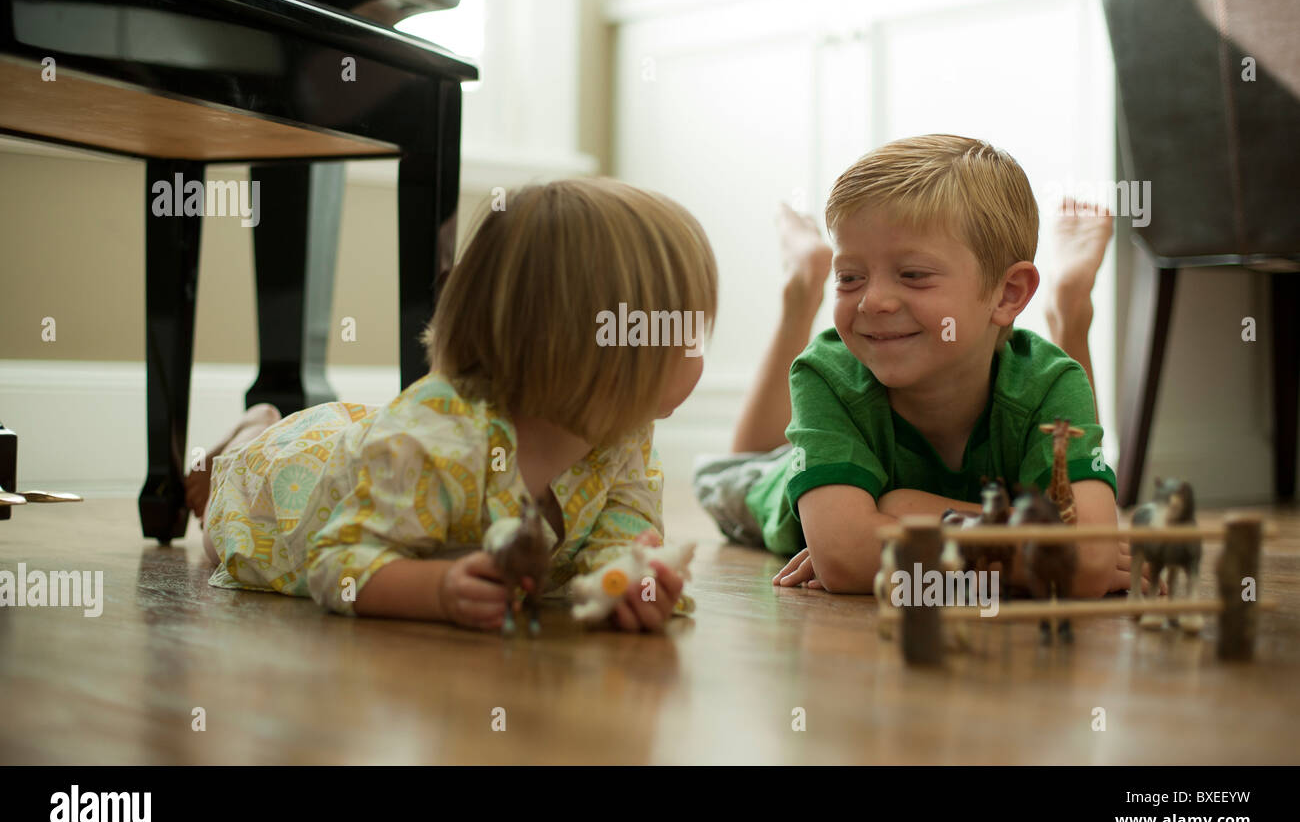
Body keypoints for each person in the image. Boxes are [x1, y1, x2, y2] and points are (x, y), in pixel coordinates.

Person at [186, 177, 717, 632]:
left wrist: (635, 586)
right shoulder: (434, 441)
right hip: (281, 492)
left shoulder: (623, 437)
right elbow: (336, 565)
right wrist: (435, 589)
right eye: (688, 333)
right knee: (218, 533)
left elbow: (617, 548)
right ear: (598, 354)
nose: (702, 351)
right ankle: (247, 439)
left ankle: (257, 428)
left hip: (368, 447)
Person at [693, 134, 1139, 598]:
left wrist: (907, 515)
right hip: (769, 483)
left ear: (1007, 294)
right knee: (735, 468)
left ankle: (1070, 313)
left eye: (913, 275)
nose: (873, 301)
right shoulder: (826, 374)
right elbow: (845, 560)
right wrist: (1037, 557)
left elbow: (1086, 555)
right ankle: (802, 289)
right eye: (849, 278)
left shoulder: (1051, 382)